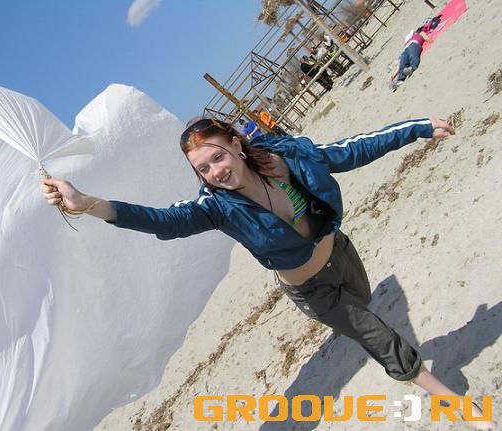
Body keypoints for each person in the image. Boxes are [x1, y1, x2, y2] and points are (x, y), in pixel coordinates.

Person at [42, 118, 496, 430]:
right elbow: (163, 220)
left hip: (340, 254)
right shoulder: (216, 207)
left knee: (364, 304)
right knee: (379, 337)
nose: (215, 172)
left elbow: (351, 149)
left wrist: (417, 128)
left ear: (236, 144)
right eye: (203, 169)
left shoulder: (287, 157)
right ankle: (458, 404)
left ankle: (380, 339)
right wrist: (89, 204)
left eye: (218, 157)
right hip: (313, 290)